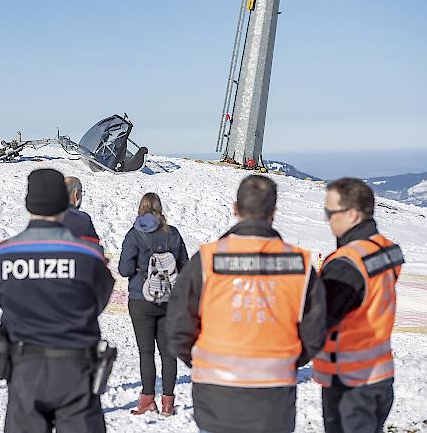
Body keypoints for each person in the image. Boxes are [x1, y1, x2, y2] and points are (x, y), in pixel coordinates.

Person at [167, 175, 327, 433]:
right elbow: (315, 332)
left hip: (216, 398)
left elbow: (177, 328)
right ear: (273, 213)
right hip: (273, 399)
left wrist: (202, 363)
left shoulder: (207, 261)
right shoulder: (298, 265)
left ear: (235, 208)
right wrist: (285, 361)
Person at [0, 168, 114, 433]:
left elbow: (5, 299)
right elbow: (99, 301)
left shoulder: (4, 255)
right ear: (64, 202)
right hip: (76, 367)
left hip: (25, 367)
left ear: (28, 203)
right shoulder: (88, 255)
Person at [314, 178, 402, 433]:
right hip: (380, 375)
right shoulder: (384, 249)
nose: (327, 219)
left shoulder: (346, 264)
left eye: (330, 212)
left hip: (349, 382)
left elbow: (319, 320)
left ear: (352, 214)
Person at [118, 192, 188, 416]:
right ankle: (168, 402)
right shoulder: (173, 233)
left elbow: (124, 270)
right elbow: (185, 267)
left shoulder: (134, 234)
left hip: (141, 299)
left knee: (146, 352)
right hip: (169, 299)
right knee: (168, 353)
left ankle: (147, 399)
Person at [63, 176, 99, 243]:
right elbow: (94, 247)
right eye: (81, 192)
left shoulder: (45, 216)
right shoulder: (83, 220)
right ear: (76, 194)